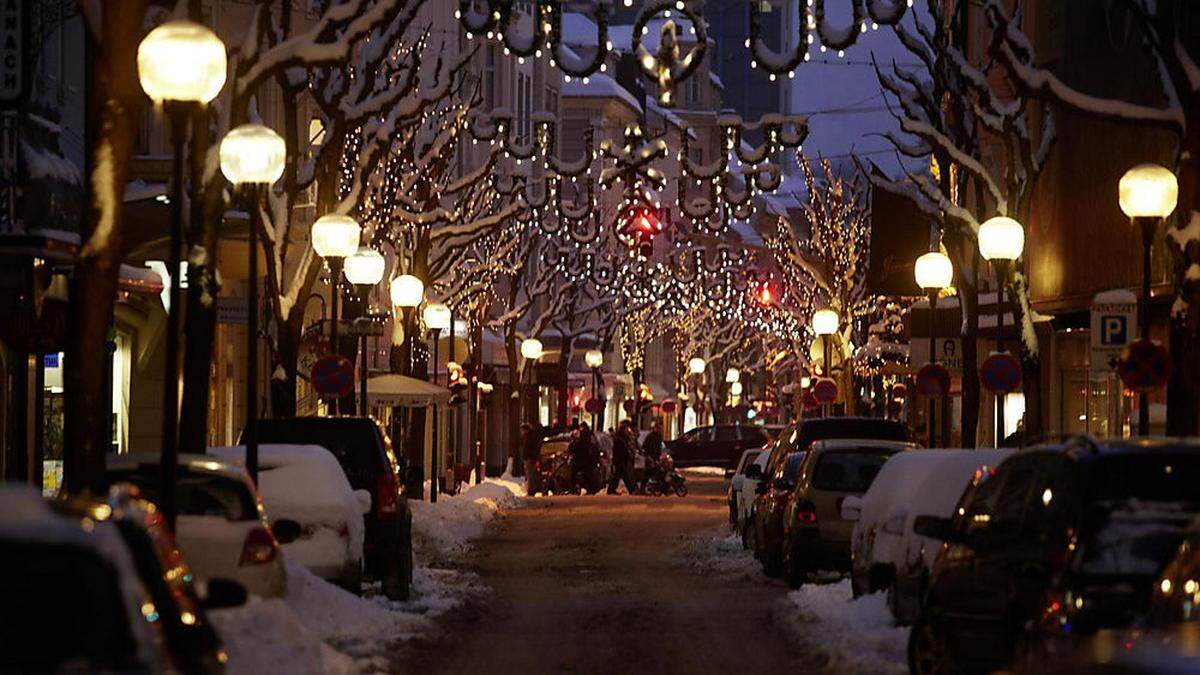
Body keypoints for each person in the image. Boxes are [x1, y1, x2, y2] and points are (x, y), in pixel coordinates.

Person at [607, 420, 639, 495]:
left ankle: (613, 489)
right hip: (621, 459)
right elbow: (619, 450)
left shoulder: (623, 438)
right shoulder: (619, 439)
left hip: (622, 459)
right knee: (624, 475)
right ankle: (632, 489)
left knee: (620, 475)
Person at [568, 422, 599, 493]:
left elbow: (574, 448)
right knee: (588, 474)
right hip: (587, 460)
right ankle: (590, 488)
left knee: (574, 473)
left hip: (580, 460)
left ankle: (573, 488)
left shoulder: (580, 439)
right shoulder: (590, 437)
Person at [641, 420, 664, 493]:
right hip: (650, 457)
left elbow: (659, 447)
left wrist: (660, 455)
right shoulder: (650, 436)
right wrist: (648, 456)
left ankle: (657, 488)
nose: (658, 429)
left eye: (659, 428)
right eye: (657, 428)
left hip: (656, 457)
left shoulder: (659, 436)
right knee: (648, 473)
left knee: (657, 472)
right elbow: (644, 446)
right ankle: (643, 488)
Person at [521, 422, 543, 494]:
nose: (521, 432)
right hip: (530, 458)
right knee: (531, 474)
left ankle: (532, 489)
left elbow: (528, 448)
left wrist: (527, 456)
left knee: (530, 474)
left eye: (522, 430)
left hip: (529, 458)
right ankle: (534, 488)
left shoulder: (529, 437)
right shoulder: (530, 436)